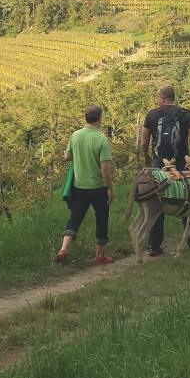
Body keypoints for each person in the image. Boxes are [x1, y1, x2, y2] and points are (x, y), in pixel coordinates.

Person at [138, 85, 190, 256]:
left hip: (160, 166)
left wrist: (146, 158)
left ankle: (154, 246)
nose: (157, 101)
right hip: (181, 165)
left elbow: (144, 142)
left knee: (157, 203)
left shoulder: (152, 114)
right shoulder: (185, 114)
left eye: (158, 98)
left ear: (163, 98)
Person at [55, 105, 115, 264]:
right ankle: (100, 255)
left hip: (79, 186)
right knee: (101, 219)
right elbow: (105, 167)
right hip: (98, 187)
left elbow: (66, 157)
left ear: (85, 118)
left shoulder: (75, 135)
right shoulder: (102, 139)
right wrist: (109, 188)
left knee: (75, 218)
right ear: (100, 119)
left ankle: (64, 249)